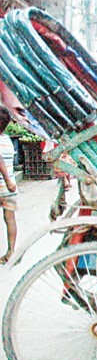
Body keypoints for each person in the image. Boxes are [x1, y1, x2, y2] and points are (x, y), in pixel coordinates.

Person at [0, 107, 17, 264]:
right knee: (9, 218)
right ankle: (11, 252)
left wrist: (6, 180)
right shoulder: (7, 140)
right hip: (10, 188)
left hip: (4, 183)